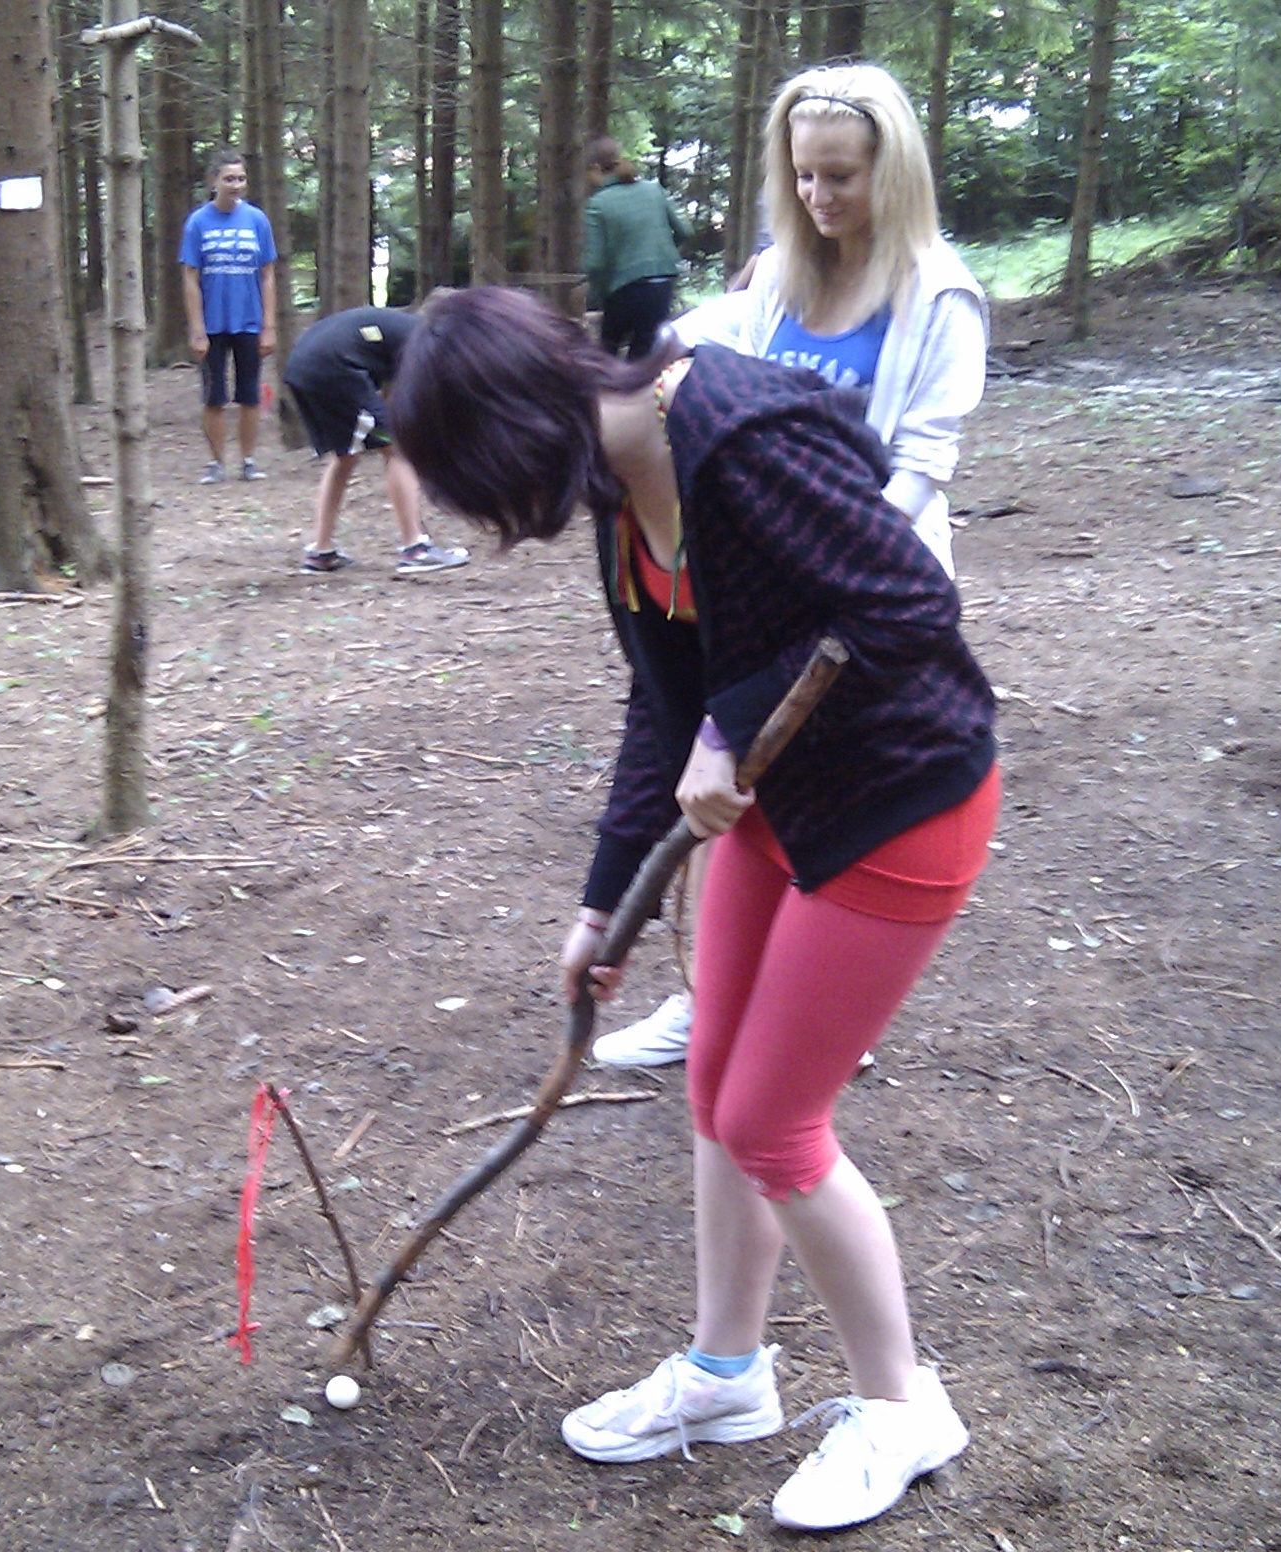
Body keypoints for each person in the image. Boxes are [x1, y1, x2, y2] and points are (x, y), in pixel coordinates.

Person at [388, 286, 1000, 1532]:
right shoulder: (622, 488)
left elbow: (907, 604)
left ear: (516, 431)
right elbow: (660, 706)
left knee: (773, 1121)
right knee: (716, 1086)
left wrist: (735, 722)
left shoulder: (739, 435)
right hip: (776, 802)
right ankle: (728, 1376)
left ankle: (902, 1408)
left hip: (898, 796)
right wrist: (600, 904)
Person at [605, 60, 988, 1069]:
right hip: (762, 598)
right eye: (804, 176)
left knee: (837, 799)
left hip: (871, 594)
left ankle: (811, 1017)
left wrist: (834, 556)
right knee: (728, 795)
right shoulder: (779, 277)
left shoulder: (939, 297)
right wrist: (613, 372)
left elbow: (922, 467)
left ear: (890, 173)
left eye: (841, 176)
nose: (819, 196)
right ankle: (710, 1000)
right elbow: (690, 352)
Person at [279, 305, 468, 576]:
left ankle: (321, 551)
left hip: (302, 366)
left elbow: (392, 396)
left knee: (346, 455)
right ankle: (415, 549)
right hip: (333, 367)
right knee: (398, 450)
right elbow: (406, 402)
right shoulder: (424, 341)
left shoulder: (403, 331)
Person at [178, 148, 277, 484]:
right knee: (214, 396)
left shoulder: (257, 220)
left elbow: (267, 275)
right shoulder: (198, 222)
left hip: (249, 321)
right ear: (213, 181)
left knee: (249, 394)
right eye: (229, 179)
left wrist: (269, 326)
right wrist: (197, 329)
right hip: (212, 324)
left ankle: (248, 461)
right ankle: (216, 463)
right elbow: (190, 277)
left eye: (241, 179)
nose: (236, 185)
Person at [583, 136, 692, 360]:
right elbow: (685, 231)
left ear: (595, 168)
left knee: (607, 354)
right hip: (662, 287)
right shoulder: (654, 190)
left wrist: (595, 300)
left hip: (624, 291)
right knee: (643, 356)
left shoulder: (598, 204)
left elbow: (596, 264)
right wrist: (663, 256)